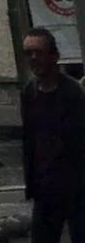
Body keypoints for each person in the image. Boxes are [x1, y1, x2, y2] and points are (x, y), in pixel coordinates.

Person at [21, 27, 85, 243]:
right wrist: (31, 183)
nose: (33, 58)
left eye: (38, 52)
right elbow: (29, 140)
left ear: (54, 56)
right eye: (28, 53)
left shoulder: (74, 93)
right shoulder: (29, 93)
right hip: (45, 188)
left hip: (77, 189)